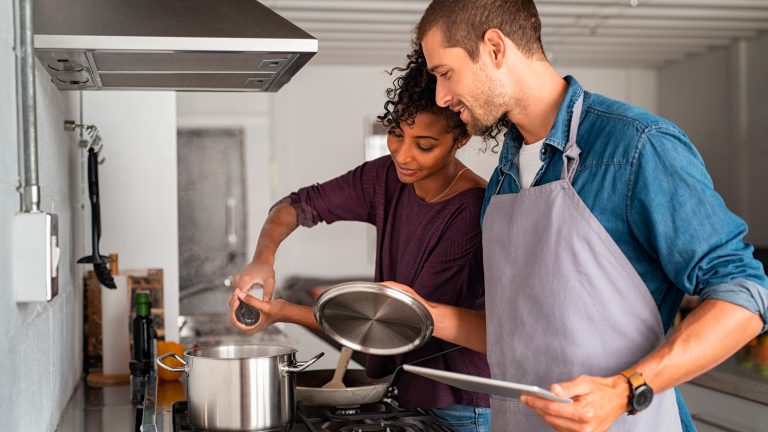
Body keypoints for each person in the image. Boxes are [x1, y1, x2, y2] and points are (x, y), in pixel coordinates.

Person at [378, 1, 768, 431]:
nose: (441, 96)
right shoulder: (503, 180)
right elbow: (519, 336)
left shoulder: (635, 146)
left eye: (445, 73)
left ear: (494, 47)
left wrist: (625, 389)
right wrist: (422, 312)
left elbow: (744, 293)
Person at [228, 51, 492, 432]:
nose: (403, 155)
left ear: (461, 138)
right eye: (397, 134)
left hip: (461, 407)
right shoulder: (386, 177)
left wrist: (284, 310)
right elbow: (298, 205)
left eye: (425, 144)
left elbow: (397, 324)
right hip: (408, 392)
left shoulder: (469, 212)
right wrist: (262, 258)